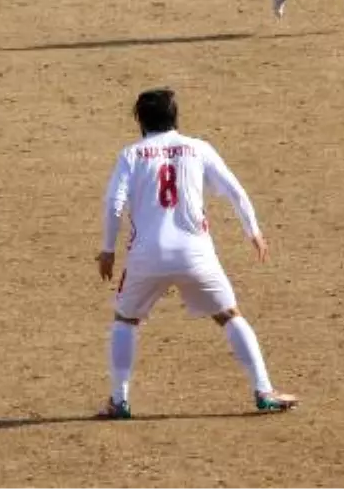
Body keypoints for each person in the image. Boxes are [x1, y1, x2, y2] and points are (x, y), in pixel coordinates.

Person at [96, 88, 299, 419]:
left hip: (146, 256)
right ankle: (264, 390)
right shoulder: (199, 148)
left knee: (126, 320)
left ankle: (119, 401)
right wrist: (253, 232)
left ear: (140, 121)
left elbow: (114, 204)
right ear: (175, 117)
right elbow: (235, 190)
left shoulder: (131, 155)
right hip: (196, 254)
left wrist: (107, 250)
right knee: (229, 315)